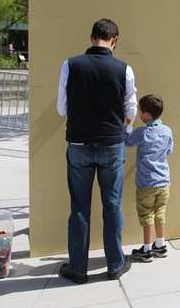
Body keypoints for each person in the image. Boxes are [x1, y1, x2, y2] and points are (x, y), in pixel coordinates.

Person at [56, 18, 137, 284]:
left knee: (79, 206)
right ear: (114, 40)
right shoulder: (124, 69)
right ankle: (115, 264)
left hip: (79, 144)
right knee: (112, 205)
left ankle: (78, 269)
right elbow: (131, 111)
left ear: (92, 38)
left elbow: (62, 109)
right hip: (112, 144)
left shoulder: (70, 65)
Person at [125, 94, 173, 262]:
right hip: (164, 182)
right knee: (160, 213)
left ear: (146, 114)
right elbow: (168, 151)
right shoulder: (167, 131)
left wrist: (128, 126)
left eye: (139, 111)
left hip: (146, 184)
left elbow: (128, 142)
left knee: (146, 215)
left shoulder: (142, 132)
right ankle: (160, 246)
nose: (138, 113)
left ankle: (146, 249)